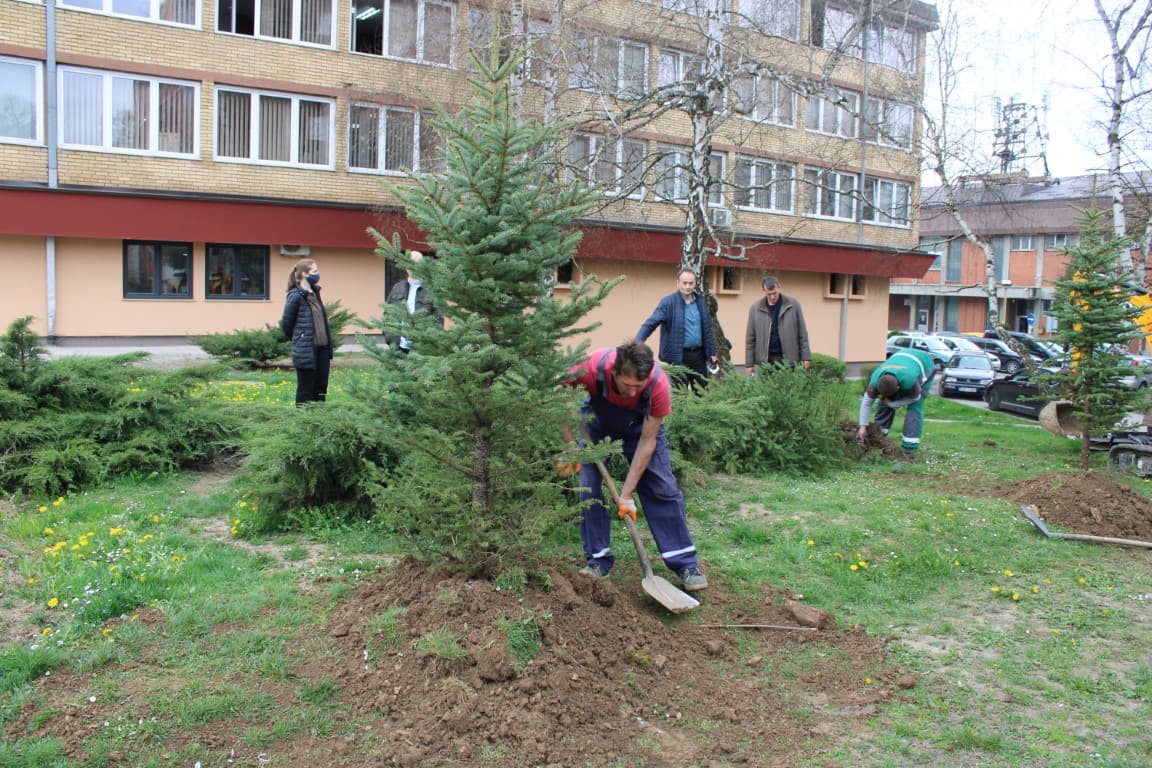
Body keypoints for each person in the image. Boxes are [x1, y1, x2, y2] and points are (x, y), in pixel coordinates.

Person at [564, 340, 708, 591]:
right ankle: (597, 560)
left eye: (638, 387)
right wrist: (570, 447)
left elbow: (647, 442)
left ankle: (685, 563)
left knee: (662, 487)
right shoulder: (591, 367)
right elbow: (557, 392)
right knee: (589, 486)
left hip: (640, 427)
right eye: (627, 385)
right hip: (596, 423)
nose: (632, 393)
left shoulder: (658, 385)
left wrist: (626, 495)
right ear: (614, 373)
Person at [636, 268, 718, 389]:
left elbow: (707, 329)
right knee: (679, 394)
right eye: (684, 283)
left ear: (695, 284)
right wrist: (636, 343)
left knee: (702, 393)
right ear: (678, 283)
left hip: (699, 357)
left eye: (691, 283)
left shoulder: (700, 301)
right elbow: (651, 324)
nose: (687, 286)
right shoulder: (668, 303)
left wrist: (712, 353)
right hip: (678, 357)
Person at [857, 347, 937, 454]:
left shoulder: (911, 381)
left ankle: (909, 448)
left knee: (914, 409)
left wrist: (892, 404)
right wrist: (862, 427)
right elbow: (866, 403)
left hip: (925, 363)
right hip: (902, 358)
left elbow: (915, 398)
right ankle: (879, 438)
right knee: (884, 403)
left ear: (898, 387)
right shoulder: (875, 382)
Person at [280, 258, 333, 405]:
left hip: (322, 349)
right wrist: (300, 338)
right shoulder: (296, 296)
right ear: (304, 274)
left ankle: (319, 415)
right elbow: (286, 324)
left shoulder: (315, 293)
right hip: (307, 350)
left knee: (321, 388)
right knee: (306, 390)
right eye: (314, 271)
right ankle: (303, 417)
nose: (317, 274)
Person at [745, 276, 811, 371]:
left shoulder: (793, 305)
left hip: (789, 360)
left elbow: (802, 332)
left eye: (775, 293)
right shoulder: (755, 308)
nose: (772, 297)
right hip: (765, 362)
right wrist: (749, 364)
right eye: (769, 294)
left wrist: (806, 357)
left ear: (779, 287)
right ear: (763, 290)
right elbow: (750, 338)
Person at [385, 250, 439, 353]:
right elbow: (387, 313)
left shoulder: (431, 290)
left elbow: (438, 320)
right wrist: (389, 337)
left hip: (422, 350)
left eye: (416, 263)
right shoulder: (397, 287)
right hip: (397, 348)